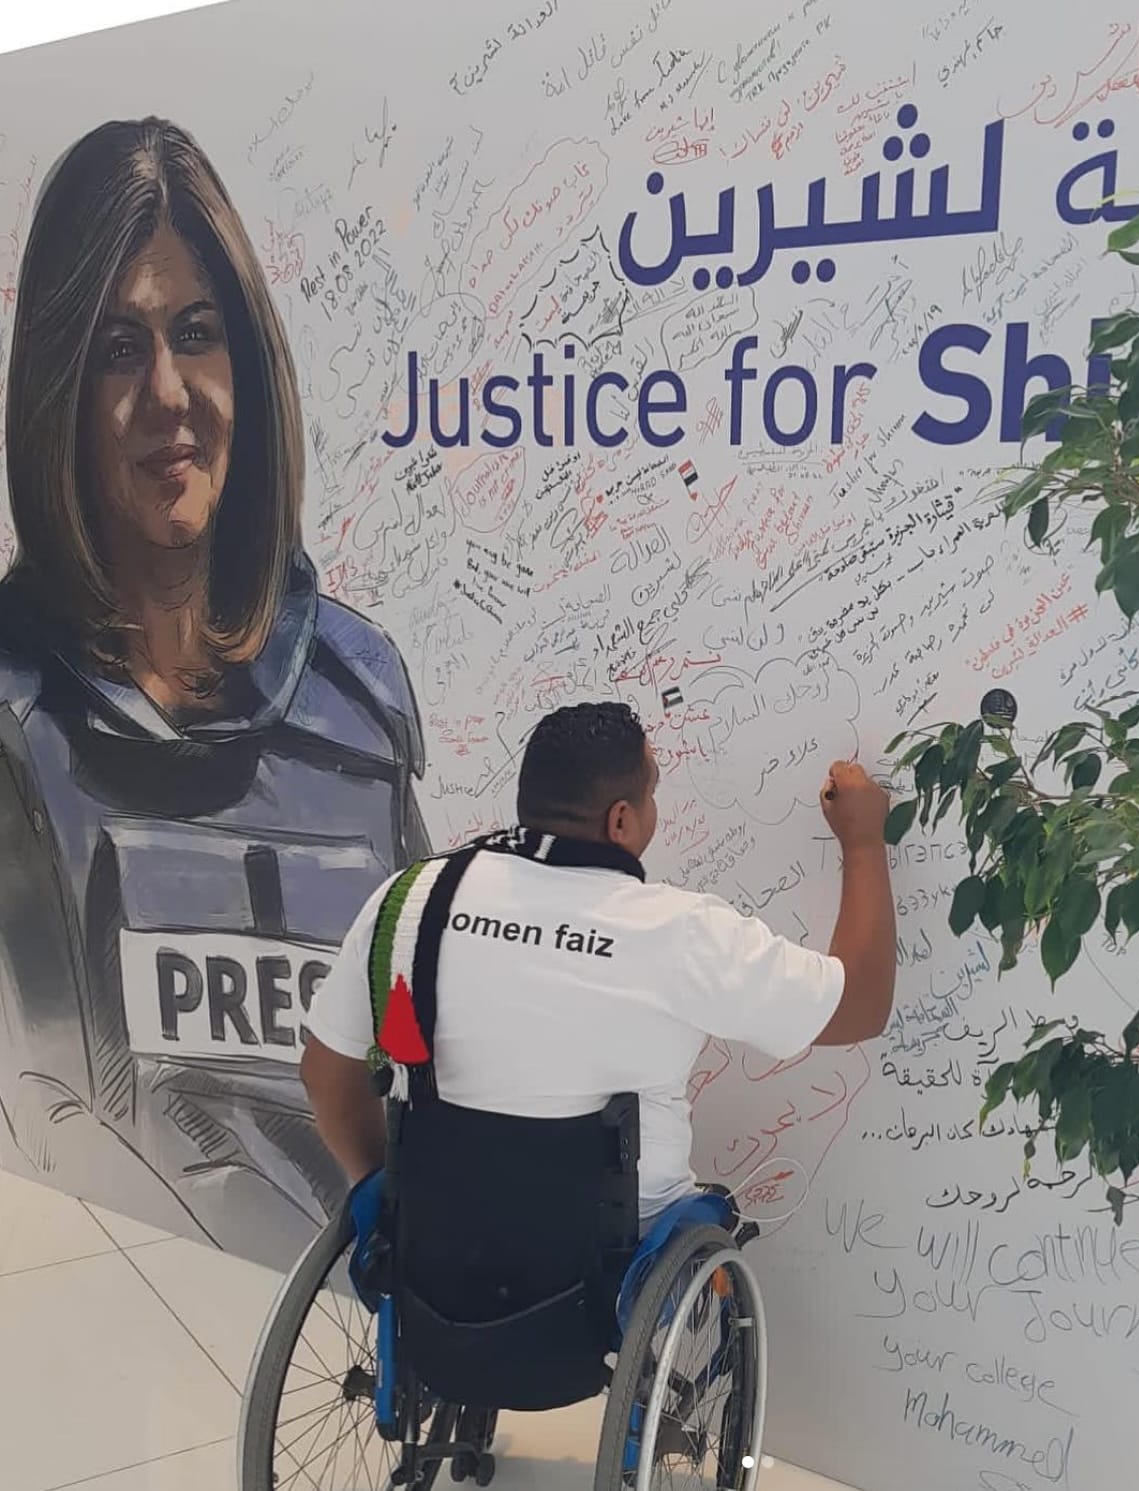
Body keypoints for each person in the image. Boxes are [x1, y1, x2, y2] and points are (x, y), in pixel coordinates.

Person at [0, 117, 425, 1265]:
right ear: (58, 389)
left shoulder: (362, 692)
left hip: (360, 1312)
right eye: (118, 349)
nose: (170, 394)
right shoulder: (14, 719)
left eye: (198, 335)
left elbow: (415, 1024)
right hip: (128, 1303)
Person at [301, 701, 896, 1224]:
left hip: (437, 1253)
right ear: (621, 819)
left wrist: (387, 1195)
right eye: (652, 791)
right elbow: (861, 1006)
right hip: (604, 1272)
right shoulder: (682, 933)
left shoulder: (413, 898)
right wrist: (864, 842)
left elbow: (328, 1077)